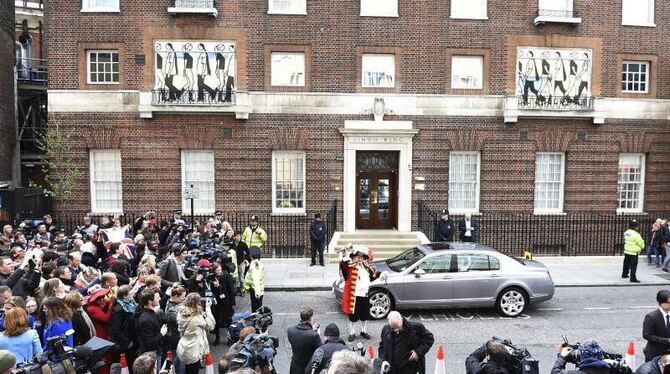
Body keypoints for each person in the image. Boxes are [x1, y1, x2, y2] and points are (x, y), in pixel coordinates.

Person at [339, 245, 379, 341]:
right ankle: (352, 331)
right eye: (357, 257)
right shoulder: (349, 267)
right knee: (353, 315)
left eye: (361, 257)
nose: (360, 259)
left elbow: (373, 276)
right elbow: (343, 264)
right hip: (354, 295)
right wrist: (344, 254)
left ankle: (363, 330)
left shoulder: (366, 267)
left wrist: (381, 275)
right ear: (353, 258)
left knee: (364, 314)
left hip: (364, 294)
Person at [176, 293, 215, 374]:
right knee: (193, 370)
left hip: (183, 346)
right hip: (193, 349)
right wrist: (208, 309)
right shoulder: (197, 318)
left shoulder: (180, 313)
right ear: (197, 303)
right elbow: (211, 325)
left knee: (187, 369)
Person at [287, 307, 322, 374]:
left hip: (295, 366)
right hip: (307, 367)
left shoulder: (290, 330)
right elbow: (320, 350)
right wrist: (316, 333)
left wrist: (311, 329)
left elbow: (301, 336)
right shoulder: (314, 335)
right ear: (311, 318)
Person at [109, 285, 137, 366]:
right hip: (124, 343)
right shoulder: (119, 309)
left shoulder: (131, 303)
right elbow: (116, 328)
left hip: (130, 337)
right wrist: (127, 341)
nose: (133, 294)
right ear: (124, 296)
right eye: (131, 293)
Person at [210, 262, 235, 346]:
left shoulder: (226, 276)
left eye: (220, 270)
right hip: (217, 302)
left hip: (226, 301)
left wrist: (233, 302)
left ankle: (230, 338)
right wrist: (215, 287)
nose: (219, 271)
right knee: (216, 321)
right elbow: (211, 291)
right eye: (217, 270)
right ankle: (217, 338)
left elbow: (231, 289)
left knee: (228, 321)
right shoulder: (212, 278)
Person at [164, 285, 186, 374]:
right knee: (178, 362)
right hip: (175, 338)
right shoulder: (170, 309)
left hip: (178, 336)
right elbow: (180, 321)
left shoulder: (177, 303)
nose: (184, 299)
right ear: (176, 296)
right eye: (182, 297)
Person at [135, 288, 163, 359]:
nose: (159, 298)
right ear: (150, 301)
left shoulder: (150, 314)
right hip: (151, 355)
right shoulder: (146, 320)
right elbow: (150, 343)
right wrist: (161, 334)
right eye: (157, 297)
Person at [643, 290, 670, 361]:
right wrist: (667, 341)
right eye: (667, 303)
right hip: (655, 355)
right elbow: (647, 335)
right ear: (660, 302)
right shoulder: (651, 317)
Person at [243, 247, 265, 311]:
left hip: (255, 289)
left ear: (251, 255)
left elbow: (256, 279)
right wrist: (248, 265)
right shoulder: (254, 263)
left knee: (257, 310)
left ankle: (258, 320)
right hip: (254, 288)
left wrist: (257, 292)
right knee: (256, 308)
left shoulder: (255, 266)